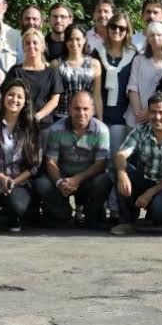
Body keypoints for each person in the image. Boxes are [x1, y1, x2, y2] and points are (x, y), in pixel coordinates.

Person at [109, 91, 162, 233]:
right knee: (120, 169)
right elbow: (121, 154)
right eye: (153, 112)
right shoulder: (140, 131)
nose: (157, 117)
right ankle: (127, 221)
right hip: (145, 179)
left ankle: (161, 218)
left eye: (161, 112)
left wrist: (150, 193)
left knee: (159, 211)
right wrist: (122, 175)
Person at [34, 90, 112, 227]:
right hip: (63, 176)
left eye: (85, 109)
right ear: (69, 109)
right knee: (42, 184)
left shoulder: (102, 130)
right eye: (76, 108)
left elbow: (101, 164)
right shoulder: (56, 129)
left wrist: (77, 179)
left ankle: (91, 214)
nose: (81, 113)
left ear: (93, 110)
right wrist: (59, 182)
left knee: (104, 180)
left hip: (88, 178)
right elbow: (51, 161)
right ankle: (63, 213)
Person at [0, 78, 41, 233]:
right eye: (11, 95)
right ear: (4, 96)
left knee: (17, 205)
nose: (15, 99)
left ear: (25, 102)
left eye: (19, 97)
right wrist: (0, 177)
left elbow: (35, 166)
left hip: (19, 181)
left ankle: (11, 215)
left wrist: (13, 182)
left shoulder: (31, 127)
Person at [92, 9, 137, 155]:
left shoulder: (134, 55)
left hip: (122, 117)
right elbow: (95, 90)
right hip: (99, 114)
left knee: (116, 160)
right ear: (108, 28)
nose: (117, 30)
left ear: (127, 31)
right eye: (113, 26)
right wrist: (99, 120)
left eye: (122, 28)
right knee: (99, 158)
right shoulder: (97, 53)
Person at [5, 29, 62, 129]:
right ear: (23, 47)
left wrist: (37, 116)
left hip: (44, 125)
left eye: (35, 43)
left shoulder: (52, 72)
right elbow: (6, 96)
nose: (31, 46)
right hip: (19, 124)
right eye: (27, 43)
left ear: (42, 46)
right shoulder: (15, 71)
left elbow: (54, 101)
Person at [126, 21, 162, 129]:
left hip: (160, 120)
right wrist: (139, 114)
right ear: (147, 40)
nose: (155, 38)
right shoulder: (138, 60)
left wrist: (149, 112)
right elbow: (133, 87)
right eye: (152, 35)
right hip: (135, 119)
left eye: (159, 35)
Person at [52, 24, 103, 120]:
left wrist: (100, 121)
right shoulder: (56, 65)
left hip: (88, 118)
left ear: (84, 40)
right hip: (62, 117)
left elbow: (97, 96)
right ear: (66, 41)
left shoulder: (94, 64)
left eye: (78, 39)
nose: (74, 43)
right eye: (70, 39)